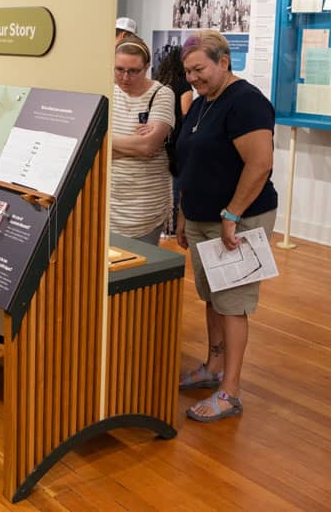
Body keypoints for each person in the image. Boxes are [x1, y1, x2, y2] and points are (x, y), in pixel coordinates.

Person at [174, 29, 277, 423]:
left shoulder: (247, 103)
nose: (193, 78)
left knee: (233, 305)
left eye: (199, 69)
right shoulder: (202, 103)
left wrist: (232, 215)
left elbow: (259, 164)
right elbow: (192, 164)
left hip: (239, 220)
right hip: (202, 217)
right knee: (213, 298)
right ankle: (213, 367)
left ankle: (230, 390)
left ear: (223, 61)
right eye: (187, 71)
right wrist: (184, 212)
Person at [110, 36, 175, 245]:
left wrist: (106, 141)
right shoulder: (108, 91)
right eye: (119, 69)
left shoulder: (161, 94)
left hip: (145, 204)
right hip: (109, 203)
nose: (125, 77)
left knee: (137, 269)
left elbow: (148, 145)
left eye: (133, 71)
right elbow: (91, 145)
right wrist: (134, 146)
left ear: (147, 67)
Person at [154, 44, 194, 231]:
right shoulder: (184, 86)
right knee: (177, 181)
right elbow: (186, 113)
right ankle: (173, 224)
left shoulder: (159, 82)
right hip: (177, 137)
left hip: (161, 134)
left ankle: (164, 223)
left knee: (163, 179)